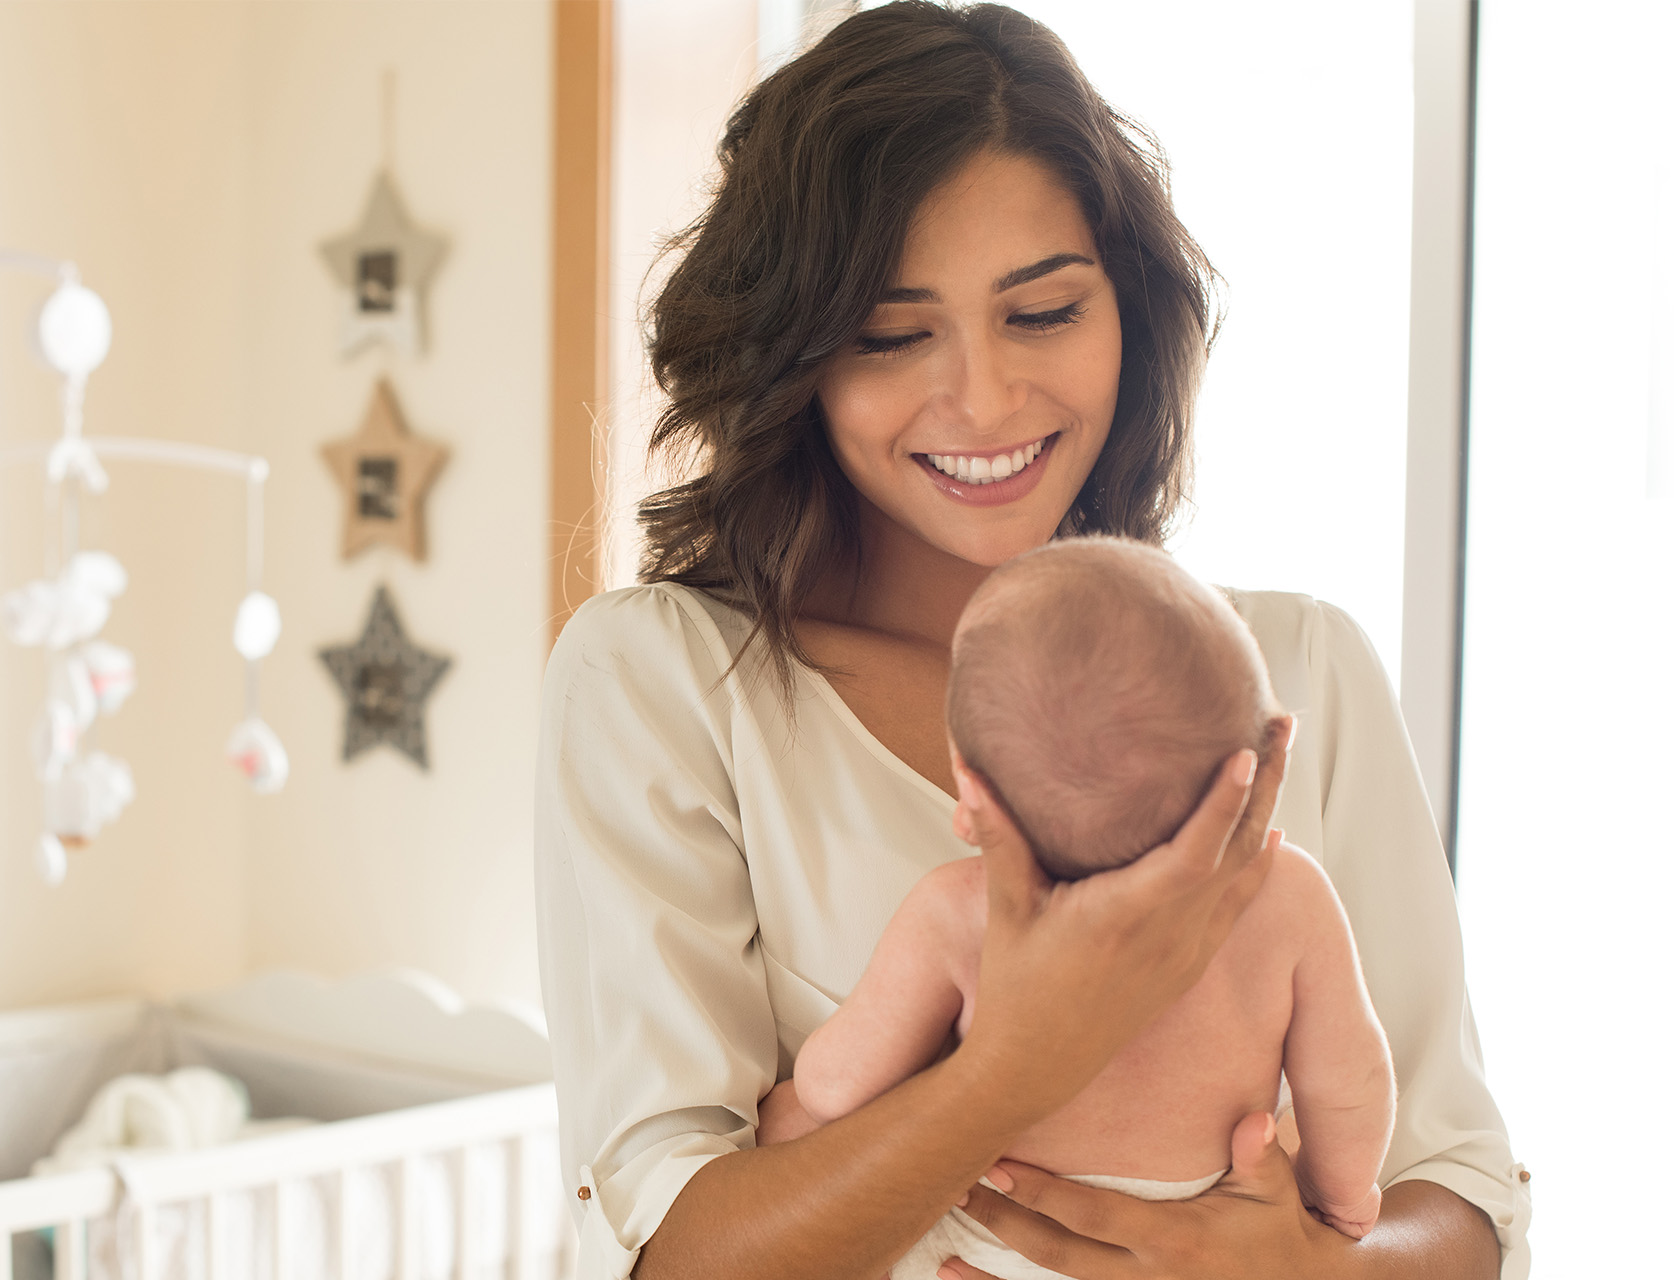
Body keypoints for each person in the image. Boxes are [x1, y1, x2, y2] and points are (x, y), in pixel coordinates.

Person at [534, 4, 1532, 1279]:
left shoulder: (1303, 673)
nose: (988, 400)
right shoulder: (668, 681)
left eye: (1046, 312)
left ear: (1131, 310)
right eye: (895, 334)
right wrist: (1016, 1064)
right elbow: (670, 1250)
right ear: (793, 357)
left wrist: (1309, 1269)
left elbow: (1462, 1194)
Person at [790, 537, 1397, 1280]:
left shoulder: (958, 913)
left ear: (970, 787)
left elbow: (839, 1090)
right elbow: (1351, 1082)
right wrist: (1342, 1200)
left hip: (991, 1235)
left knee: (794, 1122)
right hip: (1203, 1226)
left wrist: (793, 1100)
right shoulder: (1287, 894)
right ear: (1270, 747)